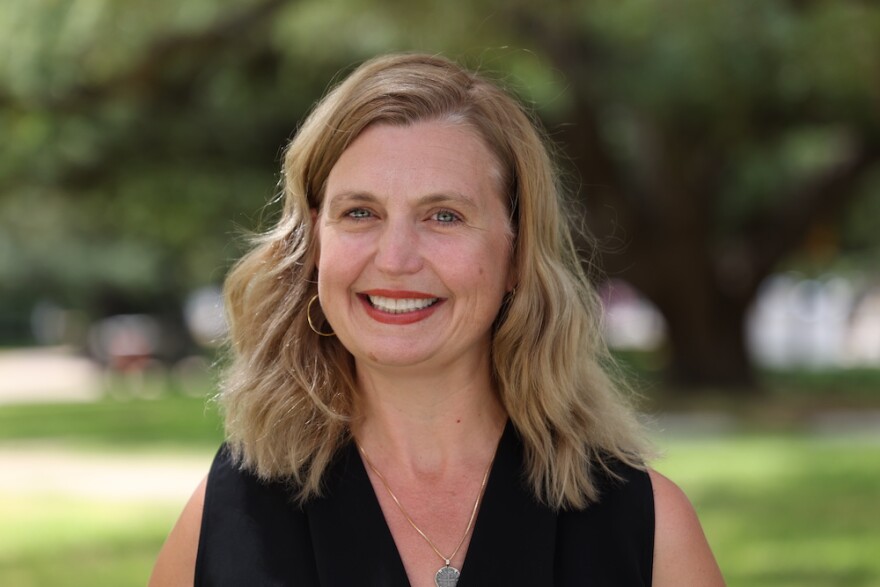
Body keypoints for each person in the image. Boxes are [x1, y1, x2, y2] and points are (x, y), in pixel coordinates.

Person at [149, 53, 725, 587]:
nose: (396, 259)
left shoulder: (648, 531)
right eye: (360, 213)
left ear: (516, 256)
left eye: (444, 215)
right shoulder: (225, 519)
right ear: (314, 247)